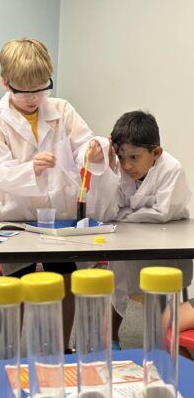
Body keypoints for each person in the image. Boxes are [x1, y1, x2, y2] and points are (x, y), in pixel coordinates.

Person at [0, 37, 110, 348]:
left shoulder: (62, 110)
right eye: (24, 91)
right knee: (21, 284)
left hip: (60, 218)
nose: (34, 98)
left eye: (41, 88)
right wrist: (30, 168)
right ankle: (10, 353)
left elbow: (84, 146)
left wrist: (93, 152)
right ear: (5, 83)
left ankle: (64, 347)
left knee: (63, 280)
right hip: (18, 216)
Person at [87, 109, 193, 347]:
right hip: (130, 237)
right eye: (121, 157)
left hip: (168, 240)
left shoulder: (171, 169)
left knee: (161, 284)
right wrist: (109, 167)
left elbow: (162, 213)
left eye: (134, 158)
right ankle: (111, 337)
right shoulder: (117, 167)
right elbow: (105, 212)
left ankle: (164, 339)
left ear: (156, 153)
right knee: (118, 274)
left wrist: (124, 215)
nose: (127, 165)